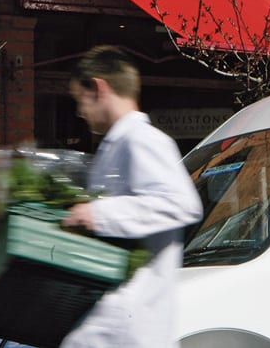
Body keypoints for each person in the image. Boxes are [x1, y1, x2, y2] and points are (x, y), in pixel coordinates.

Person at [60, 45, 203, 348]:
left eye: (79, 99)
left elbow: (180, 203)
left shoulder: (142, 139)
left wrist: (95, 215)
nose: (79, 111)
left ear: (99, 88)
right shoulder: (118, 144)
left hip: (134, 329)